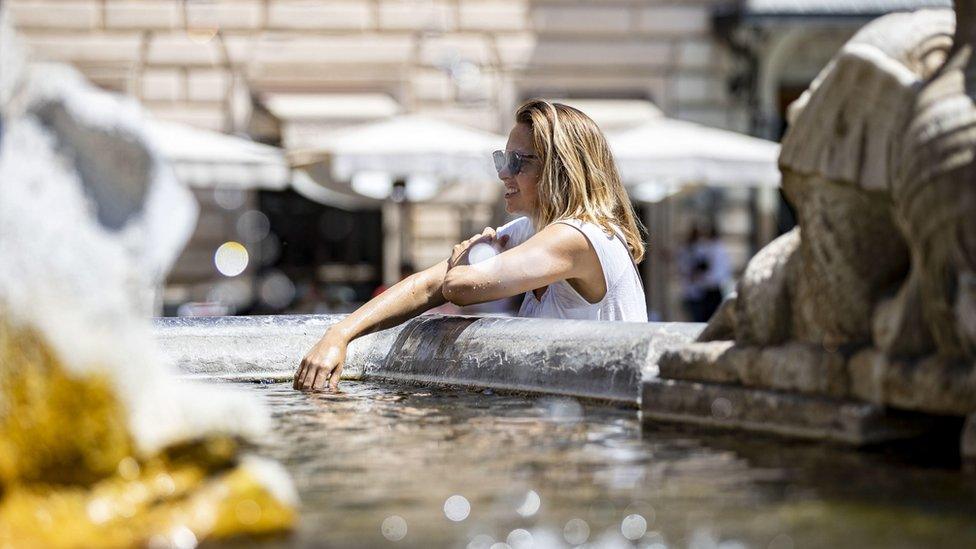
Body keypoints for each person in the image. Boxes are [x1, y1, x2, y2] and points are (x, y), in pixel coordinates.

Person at [294, 99, 647, 391]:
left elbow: (458, 287)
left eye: (516, 162)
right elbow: (426, 285)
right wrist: (340, 334)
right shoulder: (533, 230)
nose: (502, 173)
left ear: (560, 168)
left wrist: (463, 261)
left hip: (605, 429)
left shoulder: (577, 235)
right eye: (501, 159)